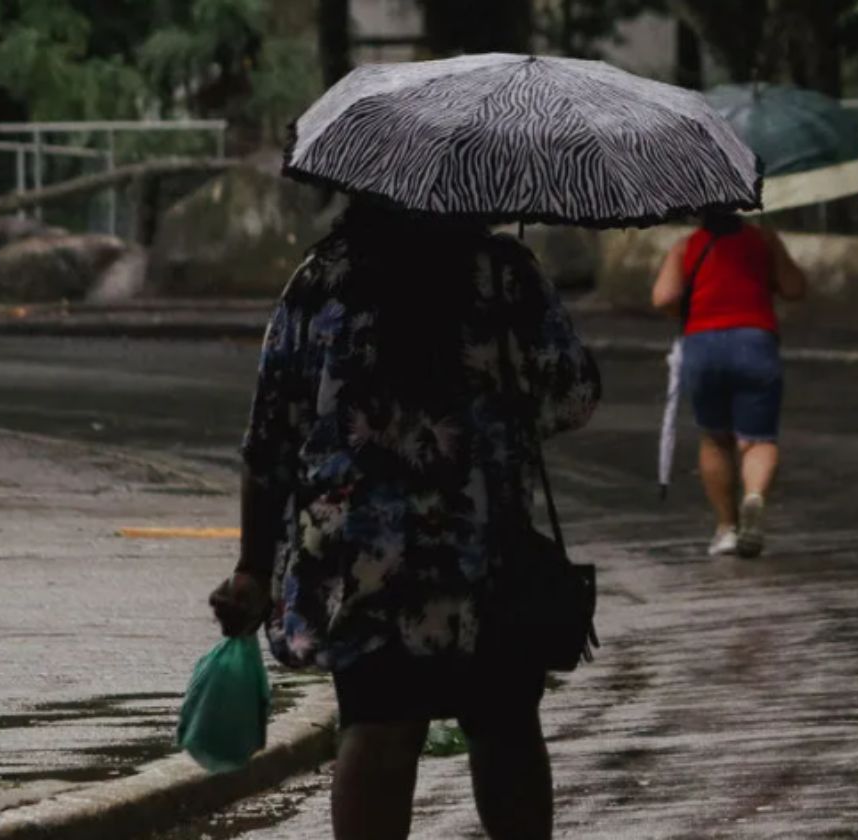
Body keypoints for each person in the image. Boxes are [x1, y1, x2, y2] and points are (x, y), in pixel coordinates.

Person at [209, 198, 601, 840]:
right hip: (483, 550)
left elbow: (270, 437)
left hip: (363, 563)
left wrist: (253, 568)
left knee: (376, 725)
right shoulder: (503, 275)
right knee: (504, 726)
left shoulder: (322, 279)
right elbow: (572, 398)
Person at [651, 210, 807, 558]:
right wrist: (772, 251)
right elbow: (795, 289)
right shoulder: (762, 240)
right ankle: (754, 496)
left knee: (715, 437)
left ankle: (726, 529)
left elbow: (663, 297)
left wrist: (692, 308)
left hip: (702, 345)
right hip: (755, 342)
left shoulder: (686, 245)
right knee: (758, 440)